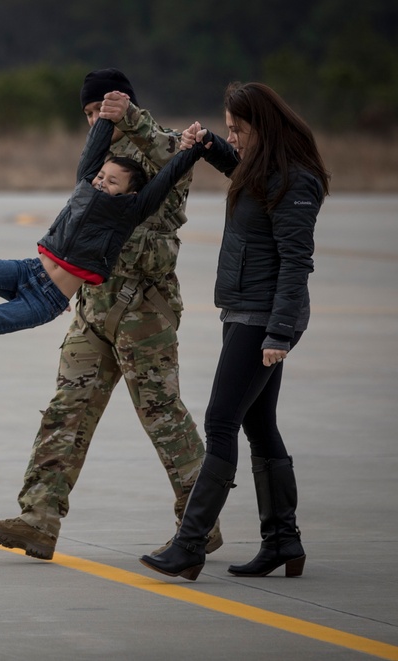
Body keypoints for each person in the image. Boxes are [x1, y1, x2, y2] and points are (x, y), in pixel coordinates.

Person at [0, 68, 223, 561]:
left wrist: (128, 116)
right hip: (94, 304)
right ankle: (37, 519)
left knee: (162, 415)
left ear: (125, 104)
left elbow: (171, 156)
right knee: (68, 407)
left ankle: (199, 523)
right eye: (89, 114)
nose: (94, 121)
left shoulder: (163, 147)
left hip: (144, 311)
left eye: (100, 111)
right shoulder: (101, 161)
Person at [140, 82, 330, 581]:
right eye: (228, 129)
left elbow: (296, 263)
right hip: (243, 312)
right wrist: (208, 145)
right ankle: (283, 541)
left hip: (262, 318)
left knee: (221, 419)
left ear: (261, 127)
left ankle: (190, 544)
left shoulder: (296, 180)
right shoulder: (262, 170)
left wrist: (279, 333)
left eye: (238, 130)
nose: (235, 138)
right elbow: (239, 171)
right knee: (258, 424)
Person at [0, 104, 206, 368]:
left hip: (47, 299)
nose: (101, 182)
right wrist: (106, 115)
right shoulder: (85, 185)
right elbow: (94, 148)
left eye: (112, 182)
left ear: (130, 192)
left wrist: (190, 151)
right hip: (29, 270)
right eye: (101, 176)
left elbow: (164, 182)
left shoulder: (129, 212)